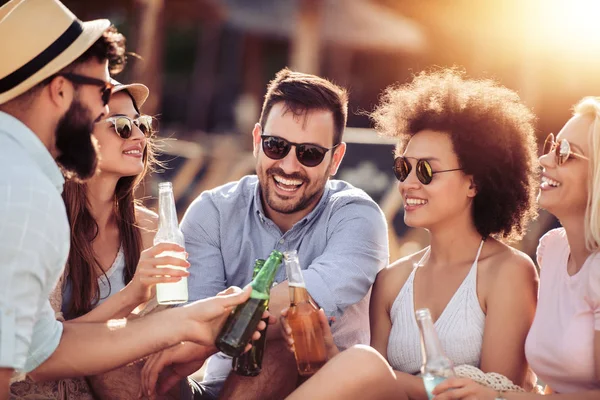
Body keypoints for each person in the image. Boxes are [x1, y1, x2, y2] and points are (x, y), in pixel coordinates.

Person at [0, 2, 265, 399]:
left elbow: (40, 350)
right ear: (59, 90)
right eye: (103, 94)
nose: (104, 109)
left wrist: (185, 323)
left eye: (139, 124)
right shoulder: (27, 196)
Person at [279, 69, 541, 399]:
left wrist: (369, 372)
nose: (407, 183)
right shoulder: (390, 280)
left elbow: (493, 393)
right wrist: (332, 357)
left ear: (474, 182)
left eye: (426, 170)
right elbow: (375, 390)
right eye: (404, 167)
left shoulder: (509, 272)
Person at [140, 68, 389, 399]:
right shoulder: (213, 211)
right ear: (257, 141)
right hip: (217, 390)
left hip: (314, 388)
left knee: (287, 337)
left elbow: (297, 304)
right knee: (121, 359)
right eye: (276, 146)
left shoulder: (358, 216)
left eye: (309, 153)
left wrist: (212, 330)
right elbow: (189, 322)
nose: (288, 166)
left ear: (335, 159)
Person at [9, 80, 190, 399]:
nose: (138, 135)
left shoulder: (150, 229)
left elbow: (159, 342)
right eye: (121, 125)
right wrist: (133, 294)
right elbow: (42, 349)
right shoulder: (47, 221)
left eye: (142, 124)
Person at [432, 98, 600, 399]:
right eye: (552, 146)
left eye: (565, 154)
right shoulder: (554, 249)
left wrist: (501, 397)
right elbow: (558, 383)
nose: (544, 160)